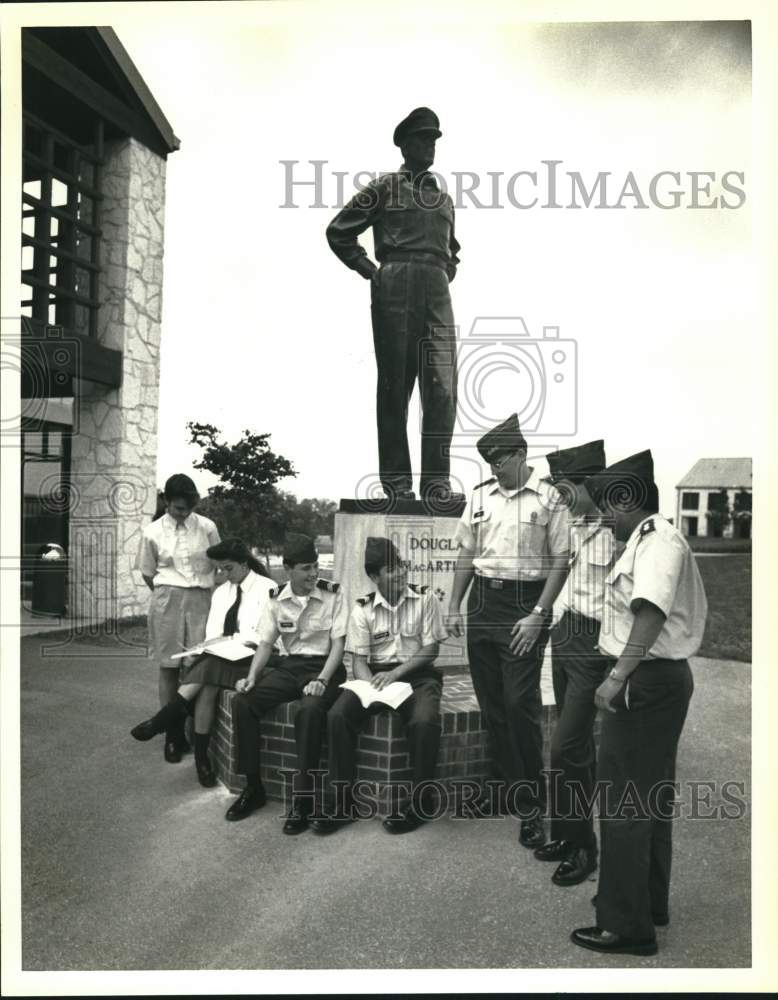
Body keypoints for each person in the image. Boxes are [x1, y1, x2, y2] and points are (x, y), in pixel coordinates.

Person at [570, 450, 707, 956]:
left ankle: (627, 926)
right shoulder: (649, 539)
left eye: (609, 505)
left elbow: (648, 613)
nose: (604, 517)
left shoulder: (657, 542)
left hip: (645, 680)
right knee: (648, 798)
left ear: (629, 501)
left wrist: (617, 676)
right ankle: (646, 902)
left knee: (625, 801)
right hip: (653, 679)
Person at [446, 414, 570, 847]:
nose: (494, 467)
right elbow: (466, 552)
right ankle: (501, 788)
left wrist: (539, 612)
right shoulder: (481, 498)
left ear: (520, 454)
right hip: (483, 602)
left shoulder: (550, 499)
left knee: (520, 703)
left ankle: (533, 802)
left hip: (525, 604)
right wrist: (453, 604)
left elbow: (561, 560)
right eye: (490, 461)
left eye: (499, 458)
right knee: (492, 701)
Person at [326, 107, 461, 506]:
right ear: (404, 144)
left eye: (434, 138)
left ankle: (436, 483)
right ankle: (398, 483)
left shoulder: (444, 198)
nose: (430, 145)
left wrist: (441, 272)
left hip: (435, 286)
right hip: (395, 283)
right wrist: (372, 270)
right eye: (422, 138)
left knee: (442, 386)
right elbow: (339, 231)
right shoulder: (384, 188)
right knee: (395, 385)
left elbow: (452, 250)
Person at [313, 537, 449, 836]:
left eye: (401, 565)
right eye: (391, 569)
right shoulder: (362, 609)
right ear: (374, 577)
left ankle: (421, 803)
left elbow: (431, 651)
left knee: (424, 721)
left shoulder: (425, 599)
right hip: (375, 677)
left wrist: (397, 674)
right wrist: (368, 685)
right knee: (338, 715)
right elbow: (359, 660)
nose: (400, 573)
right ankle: (343, 803)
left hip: (417, 673)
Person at [532, 440, 621, 887]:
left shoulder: (615, 529)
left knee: (567, 746)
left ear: (590, 483)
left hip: (592, 643)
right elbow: (565, 567)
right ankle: (568, 835)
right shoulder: (574, 519)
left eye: (565, 487)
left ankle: (586, 846)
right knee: (571, 749)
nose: (559, 496)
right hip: (565, 632)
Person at [225, 533, 348, 833]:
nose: (314, 573)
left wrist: (321, 680)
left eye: (316, 566)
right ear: (288, 568)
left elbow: (338, 645)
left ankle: (304, 799)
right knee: (243, 702)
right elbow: (266, 643)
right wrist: (252, 677)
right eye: (306, 568)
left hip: (325, 668)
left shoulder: (333, 595)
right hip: (291, 668)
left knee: (309, 710)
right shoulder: (276, 599)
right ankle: (254, 788)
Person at [130, 538, 276, 787]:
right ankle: (201, 759)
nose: (223, 574)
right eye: (219, 569)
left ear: (243, 562)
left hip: (255, 657)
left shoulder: (267, 587)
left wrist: (231, 641)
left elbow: (263, 635)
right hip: (223, 657)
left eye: (228, 568)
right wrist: (211, 644)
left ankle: (162, 720)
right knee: (207, 686)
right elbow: (213, 632)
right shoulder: (222, 592)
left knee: (207, 670)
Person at [135, 474, 220, 763]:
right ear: (166, 501)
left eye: (188, 508)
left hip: (200, 599)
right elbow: (148, 572)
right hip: (167, 599)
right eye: (178, 508)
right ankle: (173, 736)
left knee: (197, 666)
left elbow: (218, 564)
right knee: (169, 667)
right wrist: (167, 595)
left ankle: (196, 731)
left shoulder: (207, 527)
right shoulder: (152, 532)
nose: (184, 513)